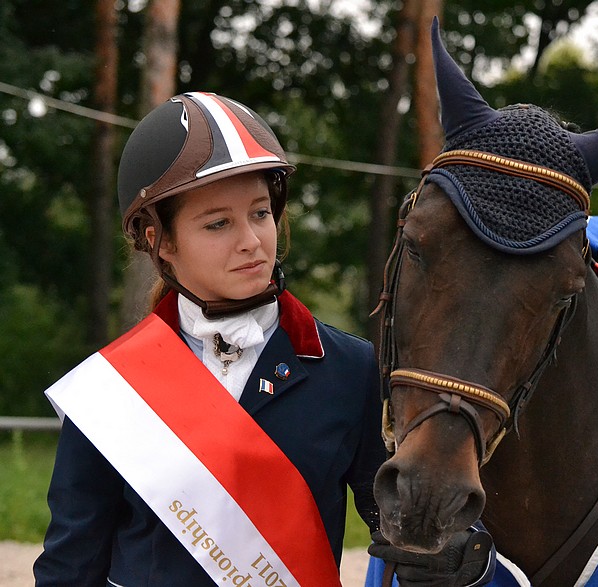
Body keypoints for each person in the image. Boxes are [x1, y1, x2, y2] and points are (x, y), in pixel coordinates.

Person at [33, 91, 494, 586]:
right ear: (159, 241)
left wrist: (456, 560)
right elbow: (70, 565)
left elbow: (406, 528)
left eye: (259, 213)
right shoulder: (111, 389)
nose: (252, 241)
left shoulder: (351, 369)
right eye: (218, 224)